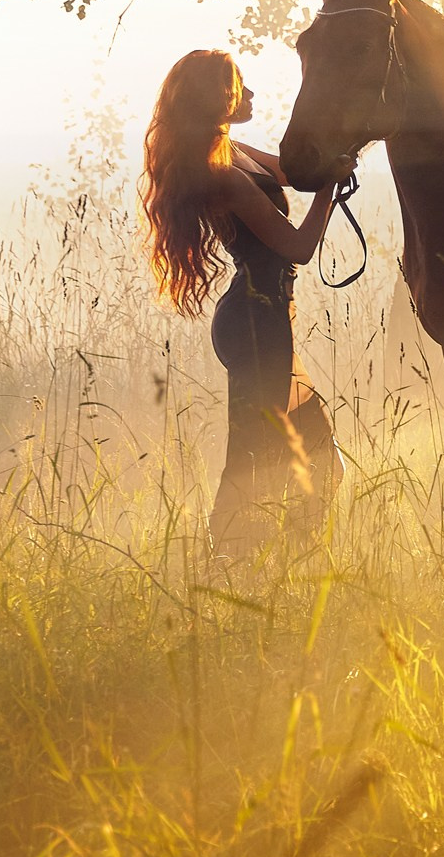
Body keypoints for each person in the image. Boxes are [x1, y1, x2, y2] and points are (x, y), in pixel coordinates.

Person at [140, 49, 355, 553]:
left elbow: (293, 173)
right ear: (218, 97)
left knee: (320, 462)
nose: (251, 93)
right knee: (254, 461)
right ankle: (230, 563)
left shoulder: (229, 150)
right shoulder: (222, 175)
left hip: (263, 317)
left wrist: (335, 146)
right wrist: (330, 190)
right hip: (257, 323)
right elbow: (299, 246)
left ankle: (283, 562)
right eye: (241, 85)